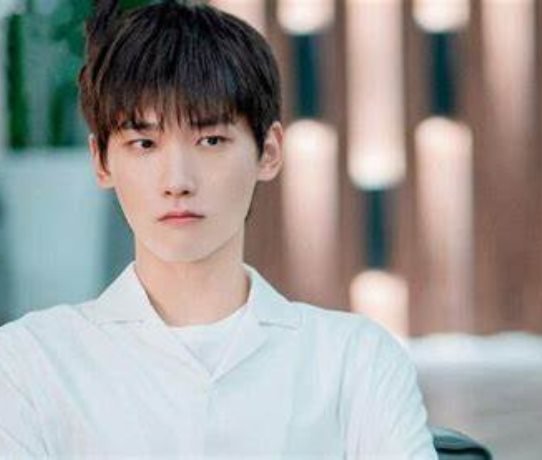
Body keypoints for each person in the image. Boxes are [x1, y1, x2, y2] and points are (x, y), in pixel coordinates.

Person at [0, 0, 437, 458]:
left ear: (269, 152)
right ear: (102, 161)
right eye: (144, 143)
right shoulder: (31, 363)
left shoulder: (355, 362)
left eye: (210, 140)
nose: (177, 182)